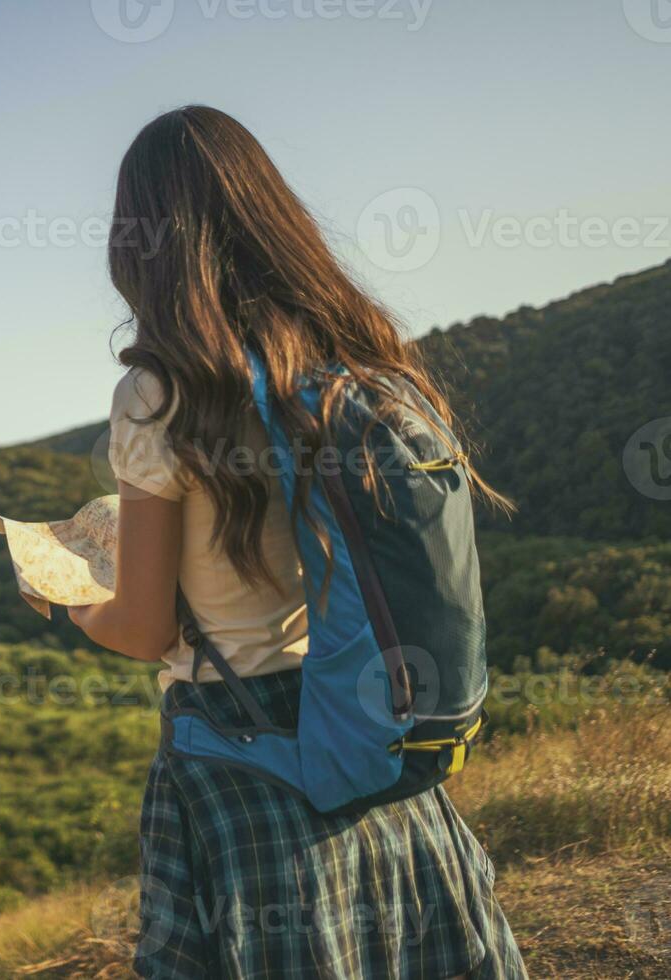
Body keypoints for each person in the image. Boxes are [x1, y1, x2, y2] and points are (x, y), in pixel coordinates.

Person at [68, 107, 527, 979]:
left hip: (245, 758)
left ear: (144, 241)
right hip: (367, 729)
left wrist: (67, 596)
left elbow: (141, 629)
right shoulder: (352, 358)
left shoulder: (160, 391)